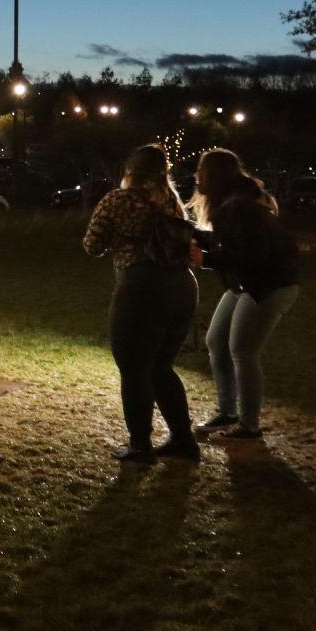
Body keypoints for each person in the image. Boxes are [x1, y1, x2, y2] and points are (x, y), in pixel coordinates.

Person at [83, 144, 200, 462]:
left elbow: (92, 244)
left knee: (134, 368)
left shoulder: (118, 200)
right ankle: (183, 439)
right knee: (161, 367)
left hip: (140, 288)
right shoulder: (171, 202)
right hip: (182, 288)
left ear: (129, 170)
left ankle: (140, 445)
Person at [189, 148, 301, 441]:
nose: (196, 175)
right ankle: (227, 411)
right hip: (247, 282)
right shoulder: (234, 203)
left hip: (269, 285)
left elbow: (252, 255)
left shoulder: (239, 207)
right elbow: (232, 243)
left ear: (214, 175)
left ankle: (249, 425)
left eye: (201, 169)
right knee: (216, 340)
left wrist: (206, 259)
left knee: (243, 350)